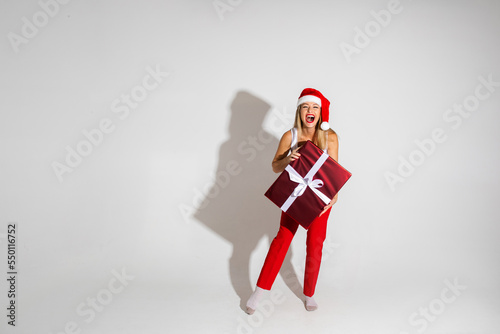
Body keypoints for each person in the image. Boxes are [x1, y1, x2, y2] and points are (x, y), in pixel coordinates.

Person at [245, 88, 339, 314]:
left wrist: (334, 196)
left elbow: (334, 173)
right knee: (282, 239)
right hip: (295, 195)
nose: (311, 110)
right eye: (306, 106)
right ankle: (259, 292)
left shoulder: (331, 137)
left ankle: (309, 294)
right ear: (300, 110)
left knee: (315, 244)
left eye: (315, 107)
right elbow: (275, 166)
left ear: (320, 113)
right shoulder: (290, 136)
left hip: (320, 198)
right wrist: (288, 158)